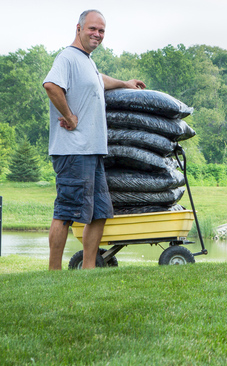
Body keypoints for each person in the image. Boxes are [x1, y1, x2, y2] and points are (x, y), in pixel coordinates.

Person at [43, 9, 145, 270]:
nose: (97, 35)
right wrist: (69, 115)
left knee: (100, 212)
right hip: (73, 151)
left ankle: (88, 269)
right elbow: (51, 85)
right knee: (66, 212)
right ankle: (53, 272)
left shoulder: (86, 61)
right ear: (78, 28)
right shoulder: (67, 57)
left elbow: (98, 80)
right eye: (92, 29)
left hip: (92, 151)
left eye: (101, 31)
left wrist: (124, 82)